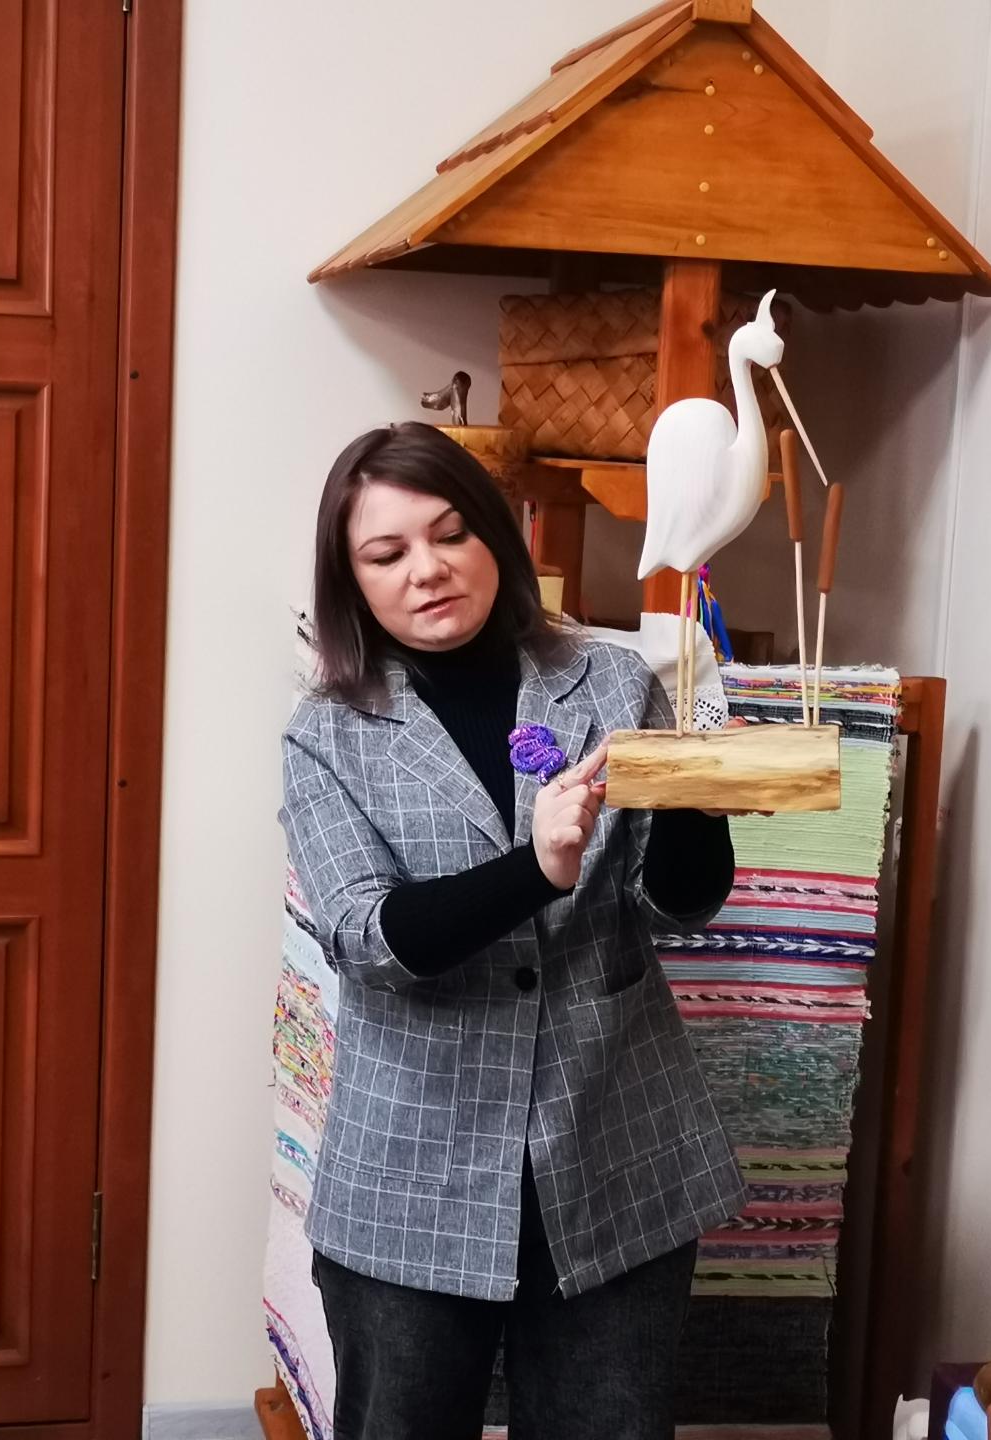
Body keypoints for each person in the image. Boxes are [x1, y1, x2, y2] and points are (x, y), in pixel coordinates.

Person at [281, 422, 744, 1440]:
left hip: (614, 1155)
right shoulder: (328, 734)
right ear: (351, 580)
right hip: (411, 1182)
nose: (428, 569)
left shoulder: (612, 680)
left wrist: (694, 799)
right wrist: (535, 869)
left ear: (495, 536)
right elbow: (367, 936)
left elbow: (677, 905)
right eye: (387, 553)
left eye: (451, 534)